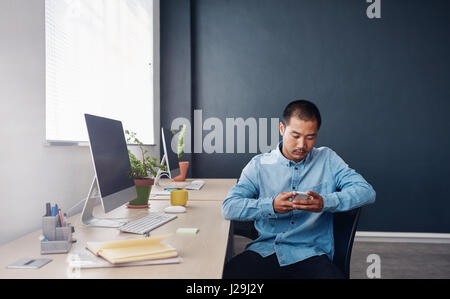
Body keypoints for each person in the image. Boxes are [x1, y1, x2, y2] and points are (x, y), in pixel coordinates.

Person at [222, 99, 376, 279]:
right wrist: (270, 206)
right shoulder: (259, 165)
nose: (302, 145)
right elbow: (229, 207)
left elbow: (366, 191)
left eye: (310, 137)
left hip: (312, 254)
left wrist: (325, 202)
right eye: (295, 136)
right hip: (266, 250)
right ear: (282, 129)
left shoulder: (328, 159)